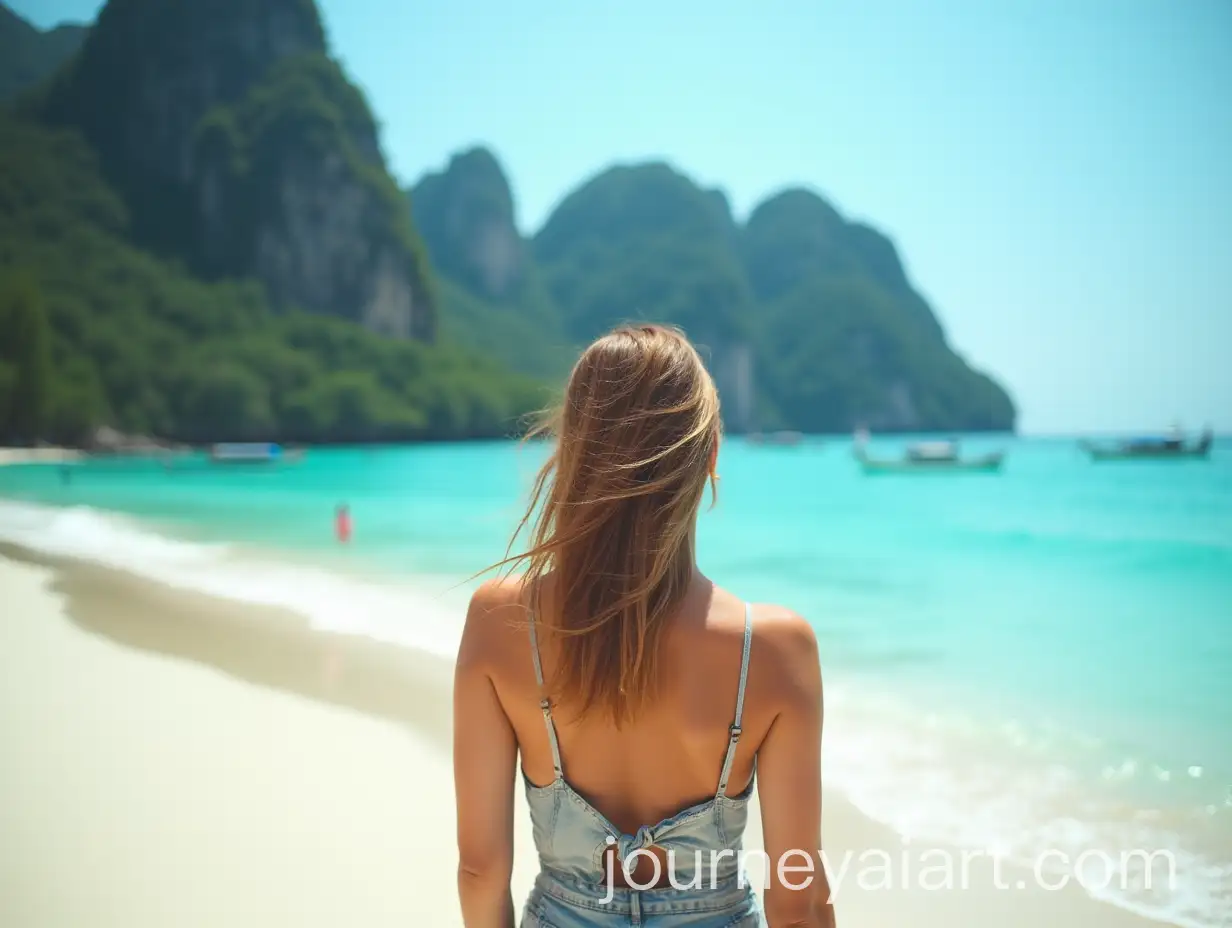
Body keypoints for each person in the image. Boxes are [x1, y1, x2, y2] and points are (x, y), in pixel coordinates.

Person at [453, 324, 834, 927]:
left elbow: (479, 870)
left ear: (573, 450)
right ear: (709, 460)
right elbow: (799, 898)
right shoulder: (773, 649)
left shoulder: (502, 621)